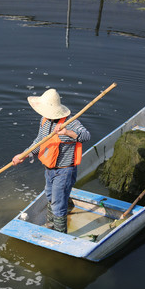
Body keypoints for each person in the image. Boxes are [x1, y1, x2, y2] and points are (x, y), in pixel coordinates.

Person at [12, 88, 90, 233]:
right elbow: (39, 141)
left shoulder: (70, 123)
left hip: (65, 170)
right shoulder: (44, 120)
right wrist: (24, 155)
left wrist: (67, 132)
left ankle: (60, 233)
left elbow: (86, 136)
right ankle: (51, 224)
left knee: (58, 203)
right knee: (50, 195)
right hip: (49, 169)